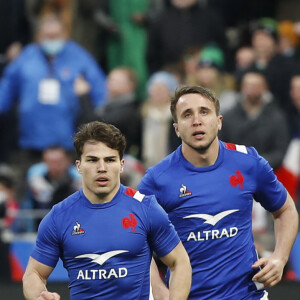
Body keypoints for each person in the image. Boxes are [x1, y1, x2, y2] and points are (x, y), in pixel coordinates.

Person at [138, 85, 299, 299]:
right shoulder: (157, 179)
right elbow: (136, 241)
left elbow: (286, 209)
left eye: (204, 112)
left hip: (248, 295)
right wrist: (157, 288)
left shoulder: (248, 162)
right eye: (187, 115)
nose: (197, 120)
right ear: (176, 129)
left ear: (219, 121)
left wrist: (280, 257)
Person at [22, 121, 192, 300]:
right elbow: (34, 274)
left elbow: (179, 261)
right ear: (79, 166)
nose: (102, 168)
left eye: (110, 160)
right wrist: (40, 296)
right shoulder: (58, 217)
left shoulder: (146, 208)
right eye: (93, 160)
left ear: (121, 164)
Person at [0, 13, 107, 165]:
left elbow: (100, 91)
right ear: (38, 36)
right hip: (31, 141)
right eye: (47, 36)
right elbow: (6, 90)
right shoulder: (26, 57)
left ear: (65, 34)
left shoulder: (79, 58)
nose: (51, 40)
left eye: (55, 35)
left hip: (68, 141)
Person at [219, 71, 290, 170]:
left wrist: (256, 163)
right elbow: (220, 147)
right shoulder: (228, 116)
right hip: (233, 171)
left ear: (264, 88)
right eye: (248, 85)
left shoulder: (276, 118)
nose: (252, 89)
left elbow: (280, 151)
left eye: (256, 85)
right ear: (242, 88)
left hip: (266, 172)